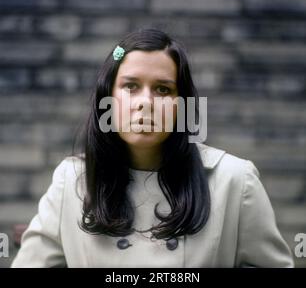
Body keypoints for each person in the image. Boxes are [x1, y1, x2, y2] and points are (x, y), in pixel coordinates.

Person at [11, 28, 294, 268]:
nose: (145, 102)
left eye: (162, 89)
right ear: (107, 98)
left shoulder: (234, 181)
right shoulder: (72, 181)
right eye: (130, 86)